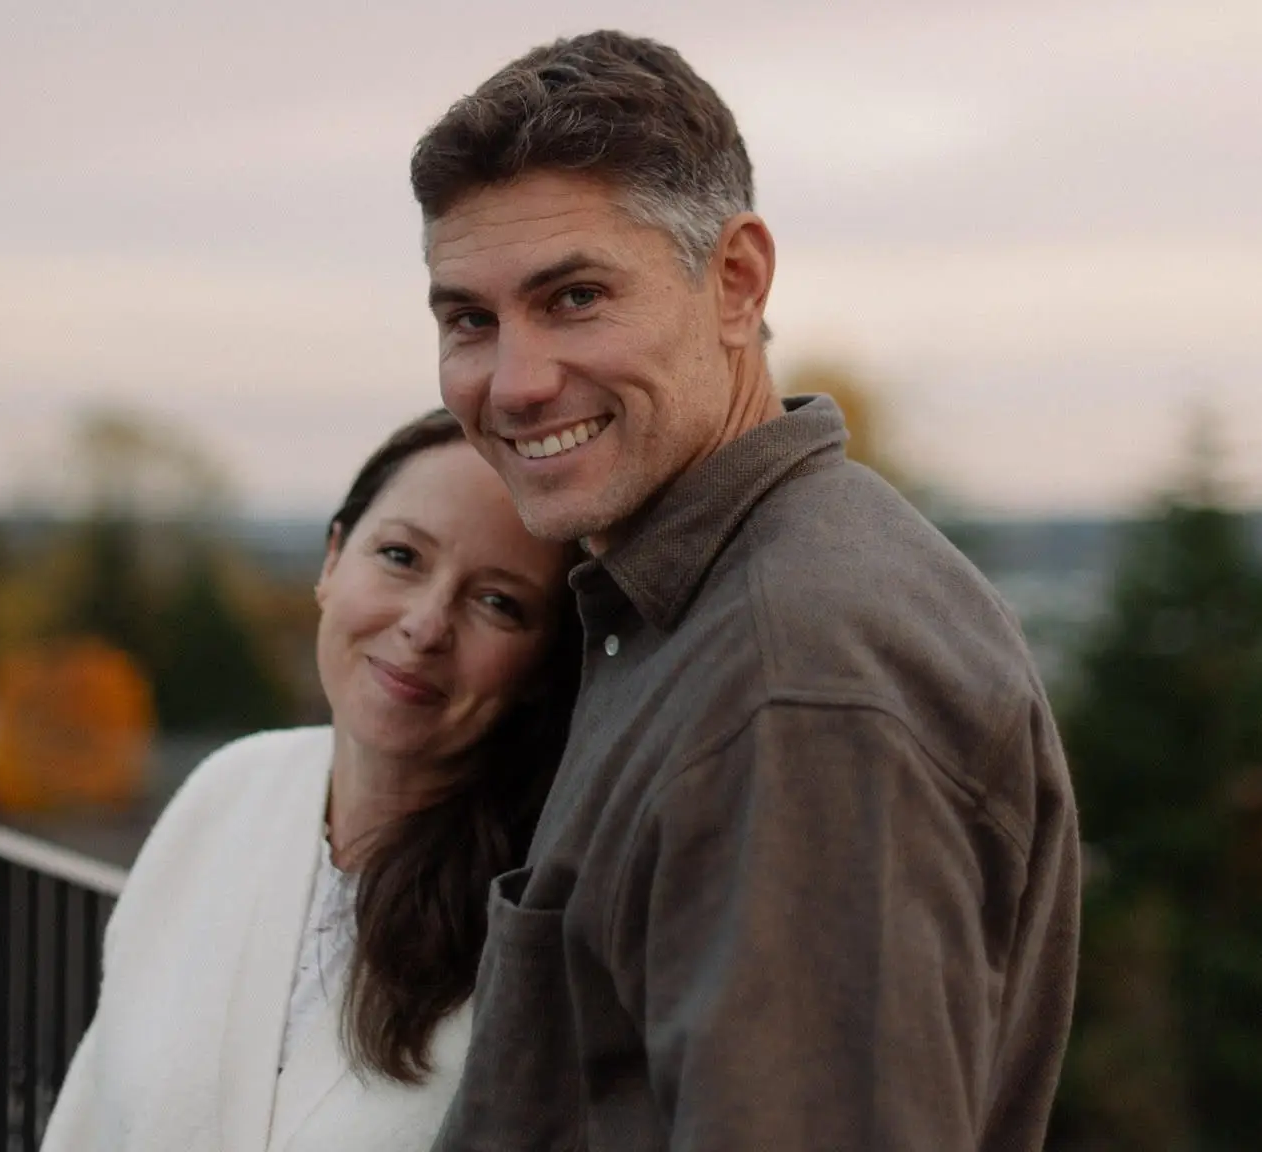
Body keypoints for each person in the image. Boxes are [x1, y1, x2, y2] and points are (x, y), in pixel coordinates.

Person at [412, 30, 1081, 1152]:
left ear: (735, 283)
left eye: (574, 297)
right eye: (469, 320)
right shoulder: (688, 604)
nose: (516, 384)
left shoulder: (797, 686)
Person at [40, 408, 583, 1152]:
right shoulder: (226, 792)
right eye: (401, 556)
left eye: (498, 602)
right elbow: (91, 1115)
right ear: (332, 561)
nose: (426, 624)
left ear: (538, 667)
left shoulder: (538, 921)